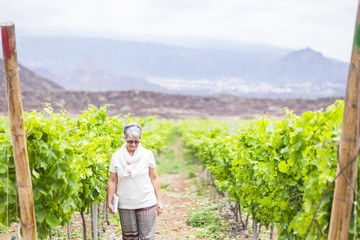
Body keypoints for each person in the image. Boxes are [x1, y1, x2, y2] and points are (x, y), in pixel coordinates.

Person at [107, 122, 163, 240]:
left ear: (140, 140)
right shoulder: (116, 156)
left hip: (146, 201)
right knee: (130, 237)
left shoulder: (147, 155)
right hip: (125, 203)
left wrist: (159, 200)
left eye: (136, 141)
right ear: (124, 139)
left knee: (147, 237)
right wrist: (109, 201)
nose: (133, 144)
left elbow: (154, 178)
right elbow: (112, 181)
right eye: (130, 141)